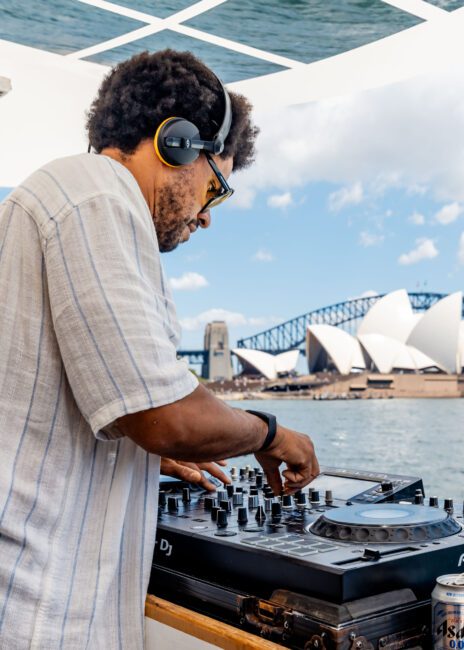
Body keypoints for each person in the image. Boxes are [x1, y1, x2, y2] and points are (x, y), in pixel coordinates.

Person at [0, 49, 319, 648]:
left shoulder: (58, 199)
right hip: (34, 609)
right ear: (176, 142)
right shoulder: (96, 195)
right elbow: (164, 416)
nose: (205, 217)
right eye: (215, 188)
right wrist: (271, 433)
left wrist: (140, 457)